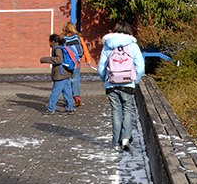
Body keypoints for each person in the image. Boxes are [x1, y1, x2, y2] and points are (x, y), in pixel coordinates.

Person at [97, 21, 145, 152]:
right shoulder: (133, 46)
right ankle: (125, 138)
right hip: (127, 84)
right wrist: (134, 81)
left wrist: (106, 80)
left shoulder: (107, 45)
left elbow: (101, 67)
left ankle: (116, 142)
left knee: (116, 112)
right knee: (127, 111)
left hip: (111, 85)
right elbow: (140, 67)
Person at [40, 34, 76, 115]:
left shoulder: (56, 48)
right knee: (66, 92)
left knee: (55, 93)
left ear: (52, 41)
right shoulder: (61, 47)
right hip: (66, 73)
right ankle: (70, 108)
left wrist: (45, 59)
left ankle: (51, 109)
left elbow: (59, 60)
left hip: (60, 74)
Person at [61, 21, 94, 108]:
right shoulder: (79, 38)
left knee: (66, 81)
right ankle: (77, 97)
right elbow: (84, 49)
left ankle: (67, 101)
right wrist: (87, 60)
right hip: (77, 62)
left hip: (67, 63)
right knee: (74, 81)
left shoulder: (62, 38)